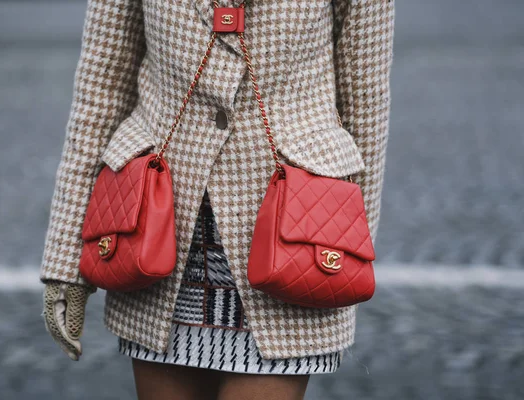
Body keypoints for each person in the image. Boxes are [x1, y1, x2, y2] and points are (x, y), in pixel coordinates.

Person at [40, 0, 395, 399]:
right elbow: (101, 88)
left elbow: (366, 100)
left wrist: (350, 249)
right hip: (155, 243)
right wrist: (67, 261)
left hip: (294, 239)